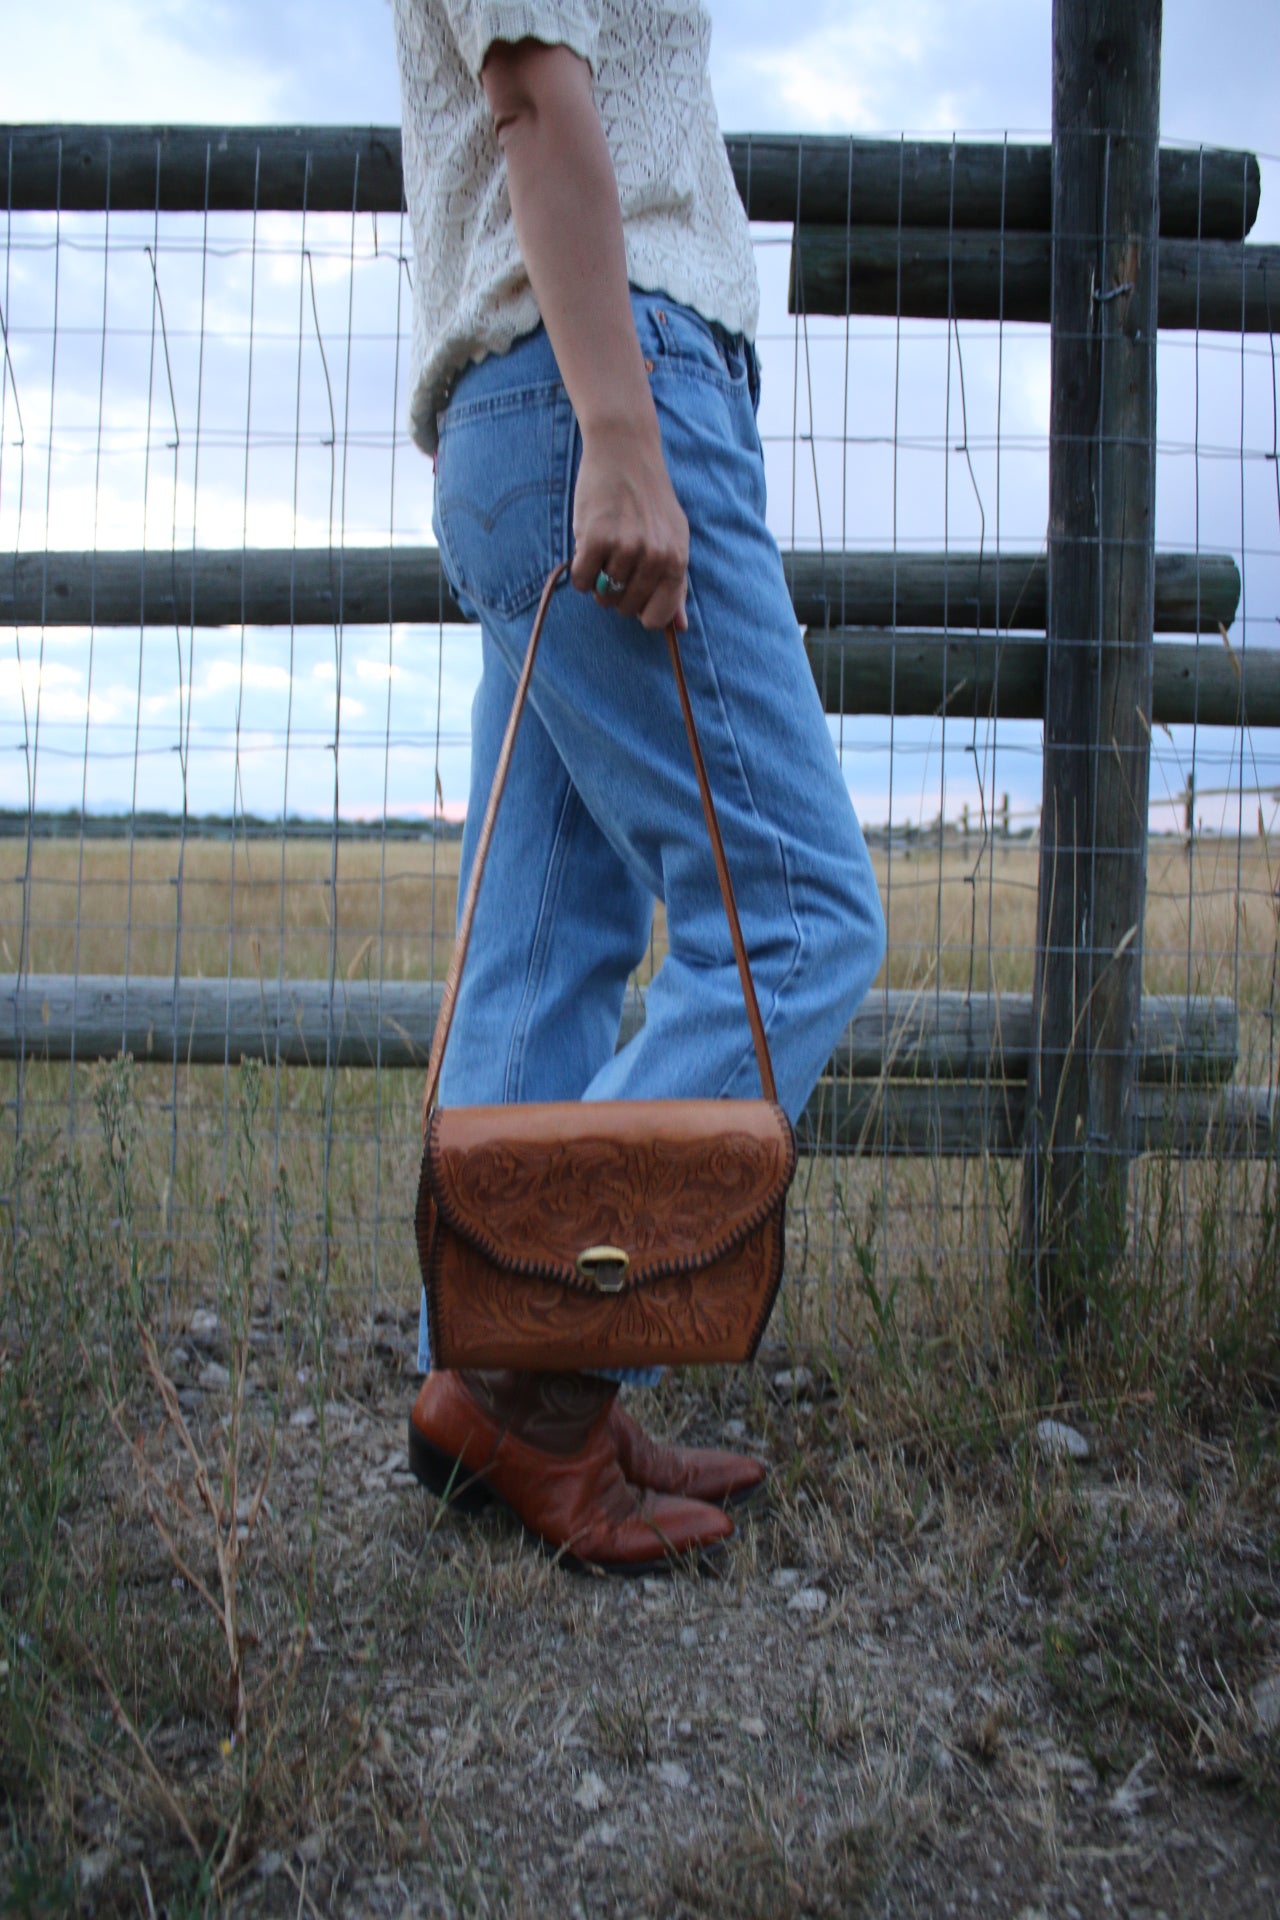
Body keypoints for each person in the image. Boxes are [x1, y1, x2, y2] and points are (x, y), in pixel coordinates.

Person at [393, 0, 885, 1572]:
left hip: (531, 400)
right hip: (592, 386)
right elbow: (539, 92)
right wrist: (621, 424)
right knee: (798, 919)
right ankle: (540, 1385)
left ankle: (498, 1391)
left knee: (544, 944)